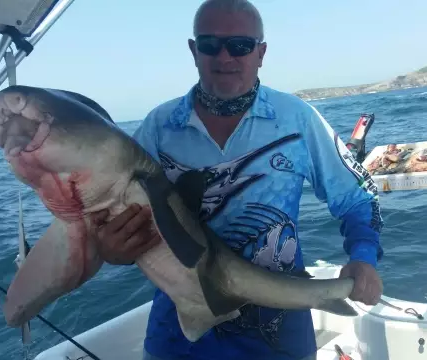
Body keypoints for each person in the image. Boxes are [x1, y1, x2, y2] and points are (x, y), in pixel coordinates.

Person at [89, 0, 385, 359]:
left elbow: (358, 196)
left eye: (240, 46)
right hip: (179, 337)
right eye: (210, 45)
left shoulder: (297, 120)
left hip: (280, 336)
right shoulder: (158, 128)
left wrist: (363, 255)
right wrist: (111, 251)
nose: (225, 57)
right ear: (193, 51)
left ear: (261, 52)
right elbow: (120, 219)